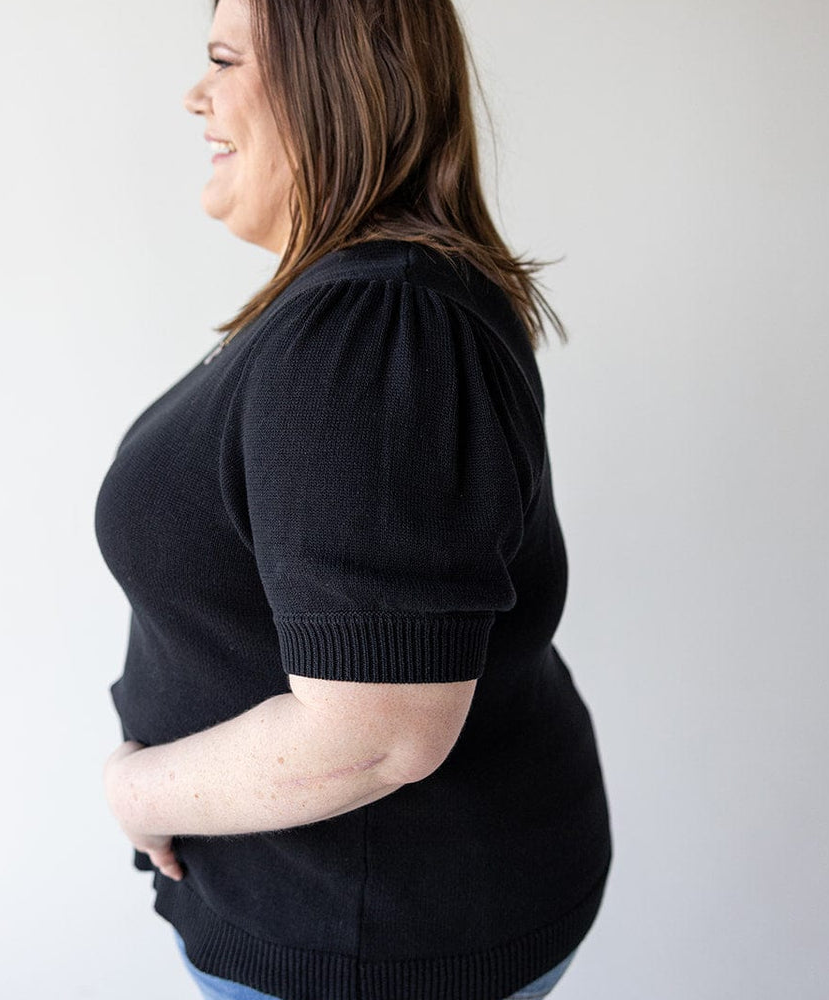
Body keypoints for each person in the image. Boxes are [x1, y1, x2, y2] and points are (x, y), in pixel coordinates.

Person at [95, 1, 612, 998]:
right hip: (357, 910)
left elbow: (376, 729)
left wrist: (135, 790)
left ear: (335, 80)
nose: (196, 95)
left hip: (371, 942)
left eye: (222, 60)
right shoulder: (370, 308)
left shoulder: (375, 327)